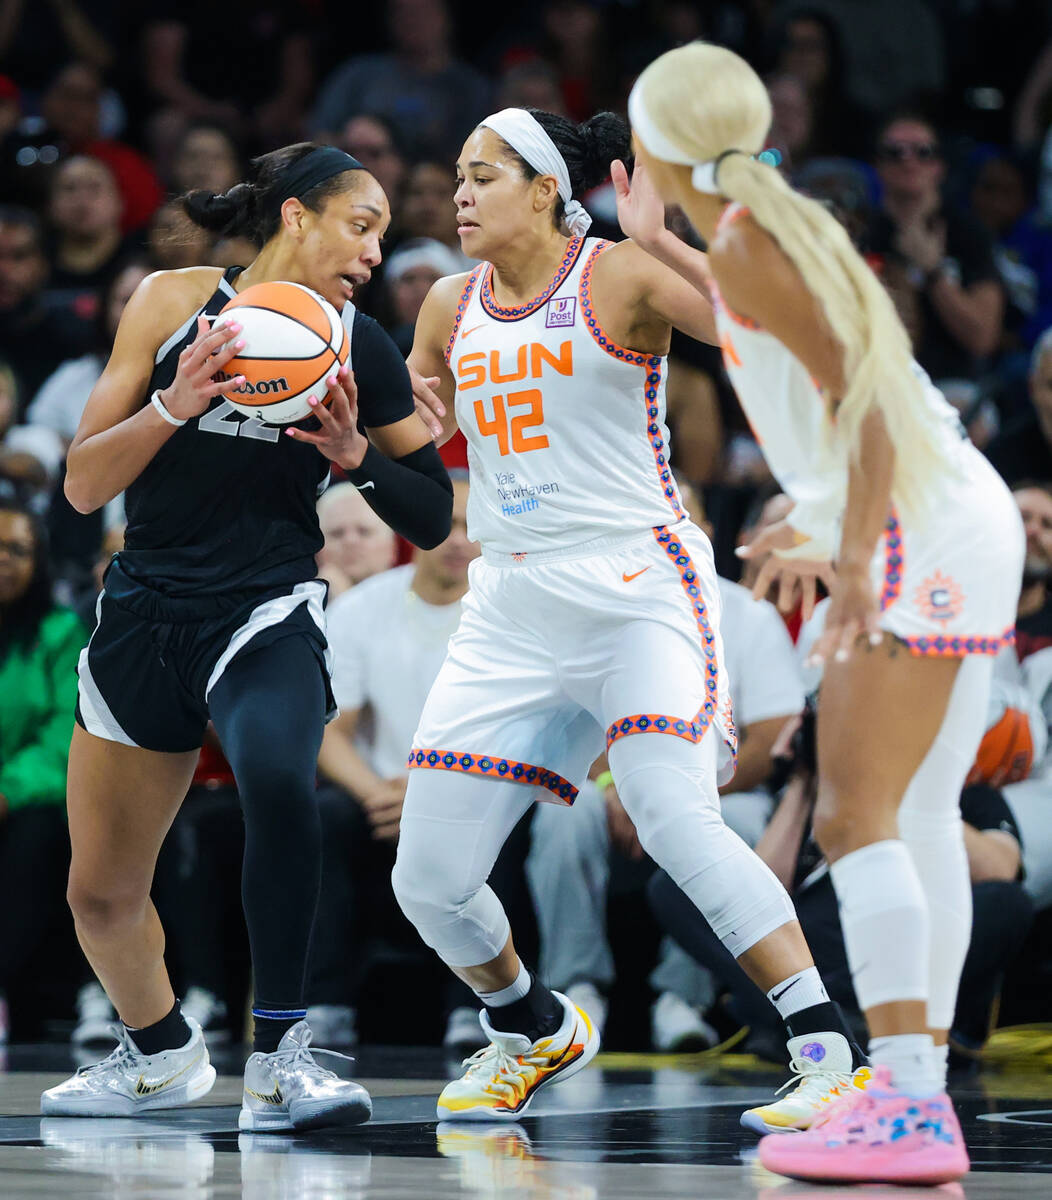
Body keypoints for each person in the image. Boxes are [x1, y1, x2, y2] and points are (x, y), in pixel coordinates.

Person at [399, 105, 865, 1126]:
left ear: (542, 190)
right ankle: (533, 1028)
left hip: (633, 588)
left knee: (669, 815)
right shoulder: (442, 304)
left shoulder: (616, 274)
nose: (459, 194)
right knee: (427, 881)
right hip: (511, 600)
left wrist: (664, 240)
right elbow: (406, 455)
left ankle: (829, 1052)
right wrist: (364, 438)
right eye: (456, 175)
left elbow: (783, 338)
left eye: (482, 176)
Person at [626, 42, 1025, 1184]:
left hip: (913, 532)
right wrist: (651, 231)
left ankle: (899, 1103)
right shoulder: (761, 234)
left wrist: (851, 557)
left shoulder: (756, 243)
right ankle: (915, 1089)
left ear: (658, 138)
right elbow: (828, 380)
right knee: (917, 811)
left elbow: (864, 403)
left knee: (856, 820)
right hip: (948, 518)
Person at [40, 142, 453, 1133]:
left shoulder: (363, 343)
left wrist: (355, 456)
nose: (371, 252)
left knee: (277, 777)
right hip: (145, 609)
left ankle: (281, 1056)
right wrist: (174, 404)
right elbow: (84, 486)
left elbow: (433, 514)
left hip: (264, 603)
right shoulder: (168, 300)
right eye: (361, 225)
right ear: (298, 215)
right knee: (98, 895)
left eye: (382, 236)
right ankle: (159, 1054)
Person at [526, 477, 806, 1051]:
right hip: (607, 786)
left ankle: (686, 996)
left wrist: (678, 799)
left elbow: (772, 735)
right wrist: (618, 786)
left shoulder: (748, 613)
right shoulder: (587, 602)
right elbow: (571, 721)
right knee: (559, 818)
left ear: (705, 531)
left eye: (684, 515)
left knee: (742, 826)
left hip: (718, 791)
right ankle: (578, 990)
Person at [0, 502, 87, 1043]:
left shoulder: (60, 633)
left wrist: (7, 791)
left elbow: (64, 739)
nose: (4, 560)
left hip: (28, 802)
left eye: (17, 550)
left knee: (37, 834)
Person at [863, 113, 1004, 386]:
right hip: (879, 381)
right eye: (894, 152)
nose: (908, 160)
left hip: (954, 386)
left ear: (939, 165)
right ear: (877, 165)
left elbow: (983, 339)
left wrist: (933, 272)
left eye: (922, 152)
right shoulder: (860, 234)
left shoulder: (969, 234)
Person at [315, 480, 397, 601]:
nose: (350, 541)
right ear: (317, 550)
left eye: (364, 532)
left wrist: (344, 600)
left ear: (392, 548)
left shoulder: (416, 599)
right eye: (337, 534)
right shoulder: (294, 602)